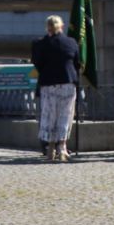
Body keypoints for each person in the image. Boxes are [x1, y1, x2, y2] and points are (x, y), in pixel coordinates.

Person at [32, 15, 80, 162]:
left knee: (49, 115)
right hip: (67, 82)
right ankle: (62, 147)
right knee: (65, 115)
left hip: (48, 83)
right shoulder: (71, 42)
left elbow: (38, 64)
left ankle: (50, 148)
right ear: (62, 26)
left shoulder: (40, 44)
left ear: (47, 27)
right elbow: (77, 63)